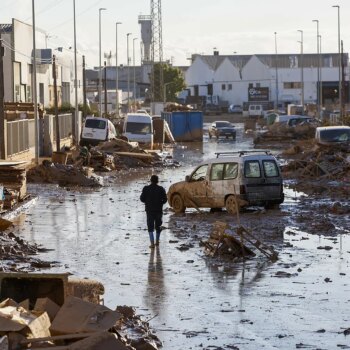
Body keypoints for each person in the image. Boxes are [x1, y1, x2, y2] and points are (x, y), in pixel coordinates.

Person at [140, 175, 167, 248]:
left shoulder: (146, 188)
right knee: (158, 226)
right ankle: (157, 241)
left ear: (150, 180)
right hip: (158, 210)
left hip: (149, 210)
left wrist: (147, 201)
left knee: (150, 226)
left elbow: (142, 199)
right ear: (158, 181)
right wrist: (160, 202)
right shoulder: (161, 189)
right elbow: (165, 200)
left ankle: (152, 244)